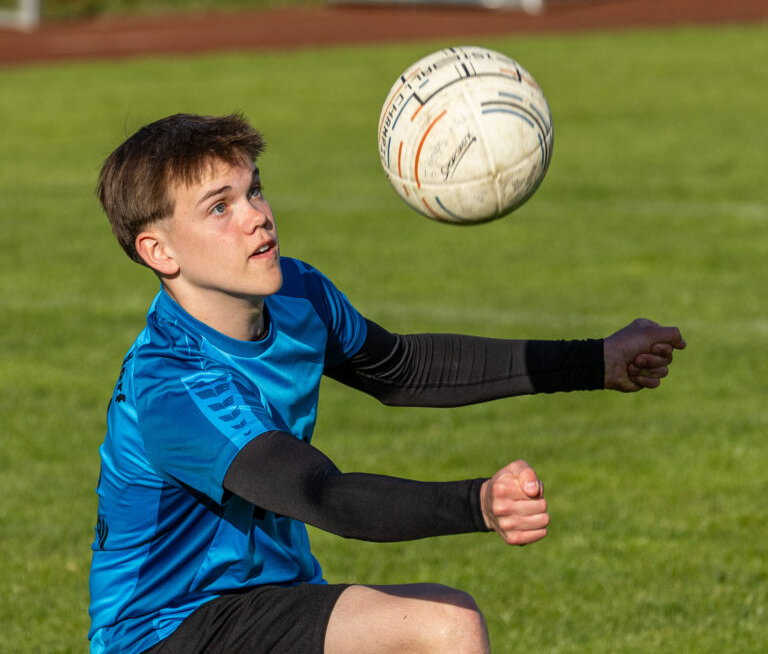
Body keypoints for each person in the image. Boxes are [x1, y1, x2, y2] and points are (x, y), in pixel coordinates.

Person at [88, 113, 685, 654]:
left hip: (272, 601)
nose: (257, 216)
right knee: (441, 624)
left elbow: (403, 370)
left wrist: (597, 361)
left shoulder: (298, 294)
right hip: (166, 631)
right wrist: (478, 502)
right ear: (158, 250)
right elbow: (323, 495)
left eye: (255, 190)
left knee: (445, 623)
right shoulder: (176, 384)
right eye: (220, 207)